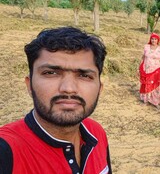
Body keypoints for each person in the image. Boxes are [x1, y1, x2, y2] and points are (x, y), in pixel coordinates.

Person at [0, 27, 112, 173]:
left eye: (84, 75)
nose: (69, 88)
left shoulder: (96, 133)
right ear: (30, 85)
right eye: (51, 73)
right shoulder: (6, 152)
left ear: (99, 88)